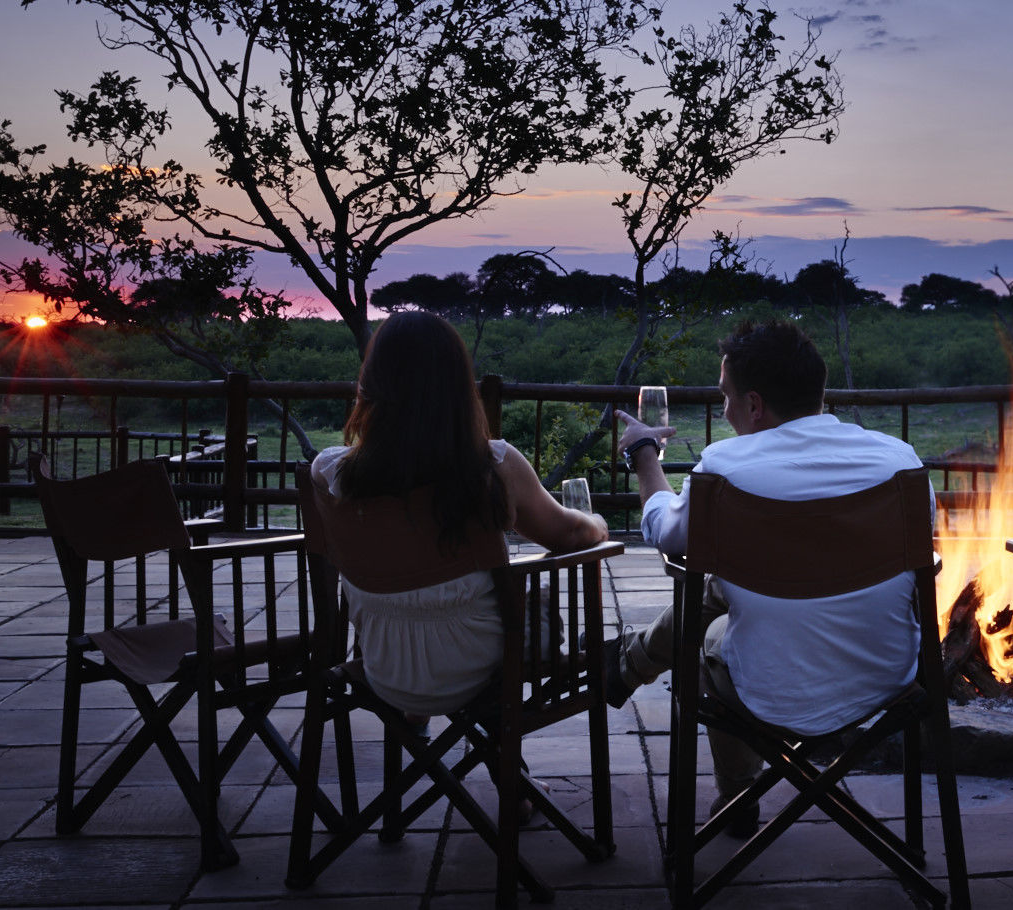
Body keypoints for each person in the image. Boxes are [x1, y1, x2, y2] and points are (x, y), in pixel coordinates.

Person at [609, 319, 929, 837]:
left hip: (769, 690)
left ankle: (736, 796)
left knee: (709, 621)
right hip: (888, 679)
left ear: (754, 405)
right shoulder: (900, 463)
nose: (726, 411)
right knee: (728, 588)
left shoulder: (724, 468)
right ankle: (628, 663)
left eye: (726, 397)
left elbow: (667, 535)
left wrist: (643, 453)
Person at [310, 311, 608, 719]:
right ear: (457, 386)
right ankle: (501, 750)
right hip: (482, 668)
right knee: (538, 599)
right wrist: (597, 523)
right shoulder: (493, 467)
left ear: (371, 383)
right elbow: (570, 536)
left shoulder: (331, 475)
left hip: (385, 670)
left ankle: (417, 730)